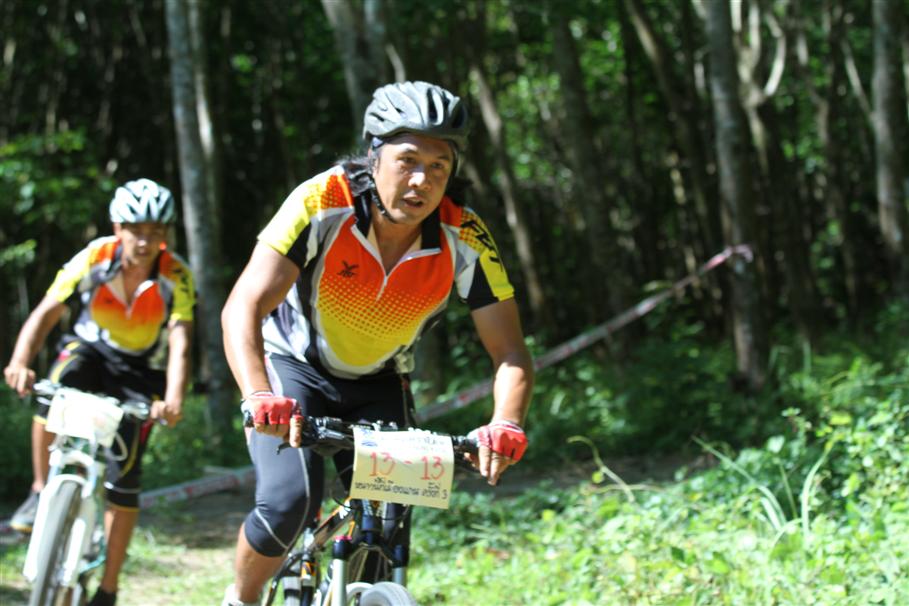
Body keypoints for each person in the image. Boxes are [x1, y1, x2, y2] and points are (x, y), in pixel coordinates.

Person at [219, 80, 534, 606]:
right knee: (289, 503)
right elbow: (242, 307)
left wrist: (506, 422)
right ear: (374, 155)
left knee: (387, 524)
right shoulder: (322, 201)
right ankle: (243, 599)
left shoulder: (465, 235)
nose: (422, 180)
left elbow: (511, 352)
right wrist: (258, 395)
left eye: (439, 166)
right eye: (407, 161)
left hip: (381, 381)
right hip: (292, 369)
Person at [3, 179, 195, 606]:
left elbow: (181, 340)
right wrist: (19, 361)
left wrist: (174, 398)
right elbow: (47, 311)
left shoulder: (176, 274)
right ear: (117, 227)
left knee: (124, 482)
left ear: (166, 234)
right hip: (89, 351)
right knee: (54, 386)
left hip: (141, 370)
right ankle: (39, 490)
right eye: (135, 230)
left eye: (155, 232)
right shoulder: (94, 257)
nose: (145, 241)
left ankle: (108, 588)